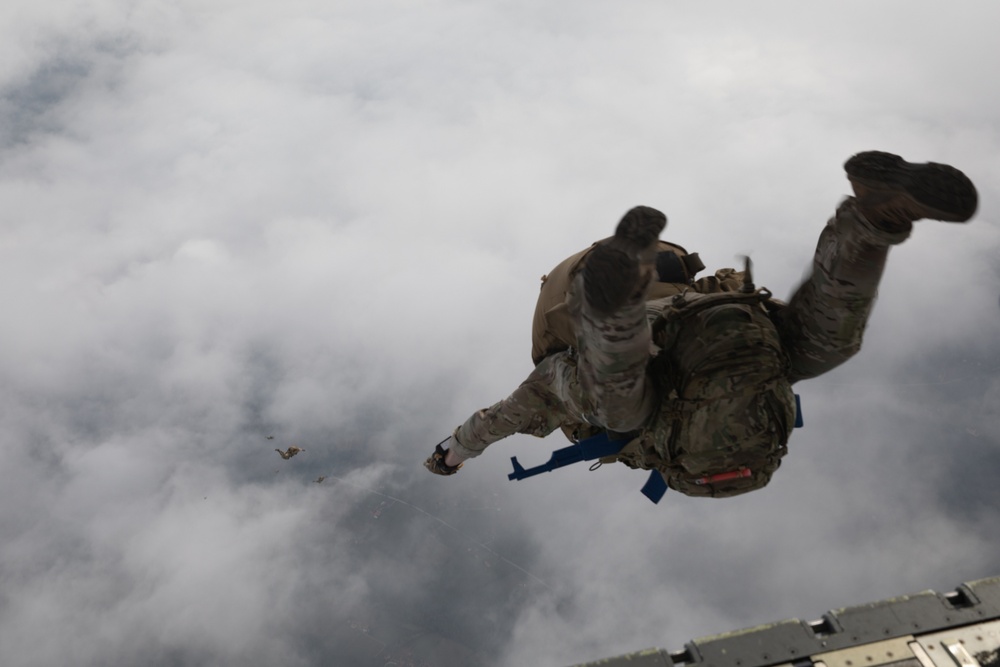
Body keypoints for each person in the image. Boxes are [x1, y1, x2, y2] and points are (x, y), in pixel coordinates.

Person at [424, 151, 978, 497]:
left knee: (824, 340)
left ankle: (875, 221)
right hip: (710, 340)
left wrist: (457, 451)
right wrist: (456, 449)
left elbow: (500, 418)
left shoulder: (591, 381)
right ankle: (875, 215)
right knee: (812, 340)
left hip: (702, 359)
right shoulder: (701, 311)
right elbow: (498, 419)